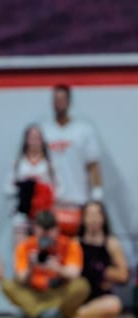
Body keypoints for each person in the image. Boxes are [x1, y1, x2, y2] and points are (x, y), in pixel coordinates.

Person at [1, 210, 90, 318]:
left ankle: (33, 312)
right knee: (7, 284)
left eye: (49, 232)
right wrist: (31, 267)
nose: (46, 237)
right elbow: (21, 279)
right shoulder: (25, 246)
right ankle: (44, 313)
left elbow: (74, 273)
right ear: (35, 230)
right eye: (42, 233)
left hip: (58, 292)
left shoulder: (70, 244)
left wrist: (58, 268)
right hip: (34, 293)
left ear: (57, 230)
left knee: (81, 285)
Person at [40, 85, 102, 233]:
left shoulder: (84, 130)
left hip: (78, 200)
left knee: (76, 249)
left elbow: (93, 164)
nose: (59, 103)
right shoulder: (44, 130)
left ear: (69, 102)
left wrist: (97, 193)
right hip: (52, 202)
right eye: (56, 100)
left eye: (62, 99)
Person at [70, 200, 128, 318]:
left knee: (114, 304)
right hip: (79, 293)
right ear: (83, 218)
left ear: (103, 218)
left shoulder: (111, 243)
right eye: (90, 215)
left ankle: (77, 314)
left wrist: (103, 272)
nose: (93, 219)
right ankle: (72, 311)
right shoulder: (75, 243)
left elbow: (124, 276)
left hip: (100, 297)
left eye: (97, 215)